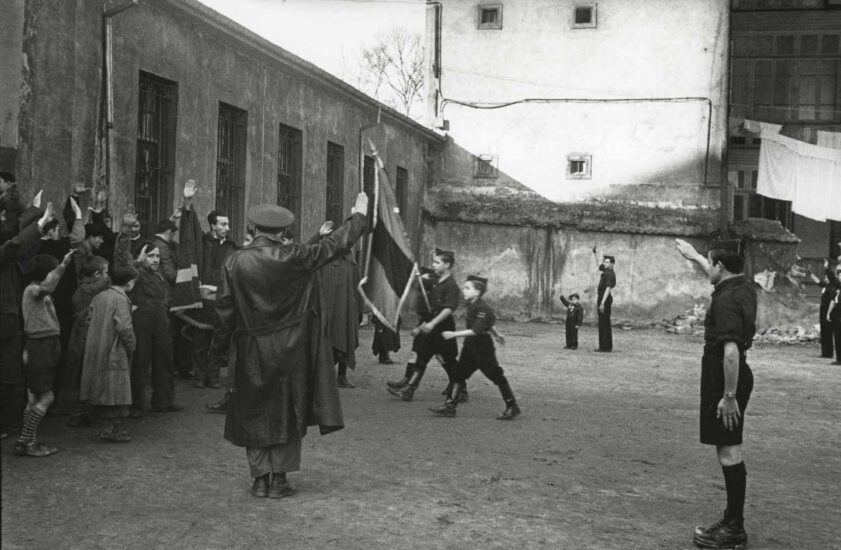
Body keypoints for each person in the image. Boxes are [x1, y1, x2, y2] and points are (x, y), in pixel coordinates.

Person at [212, 193, 368, 499]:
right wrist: (358, 217)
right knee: (287, 409)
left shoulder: (234, 262)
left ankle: (259, 479)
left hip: (250, 348)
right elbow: (334, 245)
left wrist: (217, 352)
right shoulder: (296, 256)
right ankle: (280, 480)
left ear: (252, 228)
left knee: (252, 410)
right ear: (283, 232)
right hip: (291, 348)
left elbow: (224, 312)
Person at [681, 240, 755, 550]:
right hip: (729, 379)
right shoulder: (742, 286)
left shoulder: (725, 301)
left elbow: (730, 352)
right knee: (728, 447)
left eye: (710, 263)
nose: (707, 268)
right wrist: (697, 256)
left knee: (728, 451)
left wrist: (728, 395)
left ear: (721, 267)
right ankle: (732, 522)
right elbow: (718, 273)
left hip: (725, 380)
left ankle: (733, 528)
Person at [115, 208, 183, 415]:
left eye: (157, 257)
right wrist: (126, 229)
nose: (155, 260)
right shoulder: (134, 275)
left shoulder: (160, 277)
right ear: (142, 257)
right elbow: (121, 257)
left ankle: (164, 400)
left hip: (161, 325)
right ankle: (136, 405)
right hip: (141, 326)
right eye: (150, 256)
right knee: (140, 362)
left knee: (164, 360)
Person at [1, 200, 55, 439]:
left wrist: (33, 213)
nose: (3, 218)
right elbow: (13, 245)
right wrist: (40, 224)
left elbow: (15, 240)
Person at [431, 276, 520, 420]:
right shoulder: (472, 306)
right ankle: (450, 406)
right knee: (458, 374)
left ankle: (512, 406)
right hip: (470, 345)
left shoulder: (482, 308)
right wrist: (497, 334)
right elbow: (488, 324)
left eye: (467, 288)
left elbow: (476, 330)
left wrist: (454, 334)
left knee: (496, 376)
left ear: (477, 292)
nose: (463, 291)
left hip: (482, 346)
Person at [15, 248, 75, 456]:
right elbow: (47, 287)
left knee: (33, 397)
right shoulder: (33, 290)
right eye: (51, 271)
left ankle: (27, 440)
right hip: (41, 345)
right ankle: (27, 442)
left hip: (40, 344)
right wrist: (63, 267)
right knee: (46, 396)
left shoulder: (32, 290)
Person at [387, 249, 460, 402]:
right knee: (422, 357)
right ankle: (409, 389)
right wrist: (420, 327)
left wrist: (433, 323)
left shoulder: (451, 285)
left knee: (448, 361)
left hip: (442, 327)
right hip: (429, 325)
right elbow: (422, 293)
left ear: (447, 265)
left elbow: (448, 308)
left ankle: (461, 388)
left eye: (437, 262)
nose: (433, 265)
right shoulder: (435, 280)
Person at [79, 265, 138, 442]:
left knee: (101, 387)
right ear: (130, 282)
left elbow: (88, 319)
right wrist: (131, 345)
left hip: (96, 346)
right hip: (114, 349)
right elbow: (124, 327)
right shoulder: (121, 299)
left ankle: (106, 426)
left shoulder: (100, 296)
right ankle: (109, 429)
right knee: (114, 389)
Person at [311, 221, 360, 389]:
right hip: (326, 306)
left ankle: (342, 375)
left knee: (346, 336)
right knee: (326, 338)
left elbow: (355, 285)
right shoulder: (323, 254)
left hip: (346, 306)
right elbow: (304, 256)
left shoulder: (350, 258)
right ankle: (323, 375)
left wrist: (358, 308)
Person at [65, 256, 112, 427]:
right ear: (98, 274)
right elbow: (102, 284)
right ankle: (80, 413)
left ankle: (82, 412)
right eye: (106, 272)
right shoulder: (93, 289)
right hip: (87, 337)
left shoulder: (81, 289)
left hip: (80, 337)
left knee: (81, 375)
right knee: (87, 374)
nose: (108, 275)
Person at [595, 255, 616, 352]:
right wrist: (595, 254)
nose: (604, 263)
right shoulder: (606, 271)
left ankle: (604, 347)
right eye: (604, 261)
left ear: (612, 264)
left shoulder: (610, 274)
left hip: (605, 298)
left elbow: (608, 289)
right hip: (602, 297)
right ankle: (606, 346)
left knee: (604, 322)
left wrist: (602, 303)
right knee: (604, 322)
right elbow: (599, 265)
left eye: (607, 262)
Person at [826, 265, 841, 366]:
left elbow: (833, 279)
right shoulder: (838, 288)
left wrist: (828, 269)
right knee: (837, 336)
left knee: (839, 336)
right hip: (837, 311)